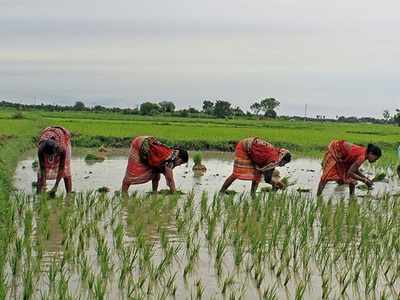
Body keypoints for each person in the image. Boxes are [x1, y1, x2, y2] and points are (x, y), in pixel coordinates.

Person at [220, 137, 292, 196]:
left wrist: (275, 184)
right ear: (282, 159)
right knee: (236, 173)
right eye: (284, 163)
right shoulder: (273, 160)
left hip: (252, 148)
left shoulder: (276, 154)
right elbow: (267, 179)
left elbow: (264, 171)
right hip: (244, 147)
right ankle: (221, 192)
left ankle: (253, 194)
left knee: (257, 173)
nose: (283, 165)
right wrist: (278, 184)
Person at [121, 136, 189, 194]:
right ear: (179, 158)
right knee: (131, 174)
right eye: (180, 163)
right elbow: (170, 179)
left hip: (148, 141)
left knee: (156, 172)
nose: (179, 165)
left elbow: (167, 175)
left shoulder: (171, 153)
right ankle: (123, 193)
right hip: (139, 145)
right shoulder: (170, 160)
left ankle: (154, 193)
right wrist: (174, 193)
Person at [317, 140, 382, 197]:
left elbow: (354, 169)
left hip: (344, 157)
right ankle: (318, 197)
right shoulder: (362, 157)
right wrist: (363, 180)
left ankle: (351, 197)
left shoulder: (364, 153)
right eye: (375, 158)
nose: (375, 161)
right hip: (337, 151)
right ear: (371, 154)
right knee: (326, 177)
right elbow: (350, 172)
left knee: (351, 180)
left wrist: (364, 178)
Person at [37, 126, 72, 195]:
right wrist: (44, 185)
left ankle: (69, 194)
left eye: (52, 155)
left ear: (56, 151)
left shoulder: (62, 148)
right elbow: (42, 168)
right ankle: (39, 194)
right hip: (50, 140)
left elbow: (61, 168)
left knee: (66, 171)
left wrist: (55, 186)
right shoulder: (41, 149)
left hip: (62, 138)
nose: (50, 157)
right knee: (40, 174)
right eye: (48, 156)